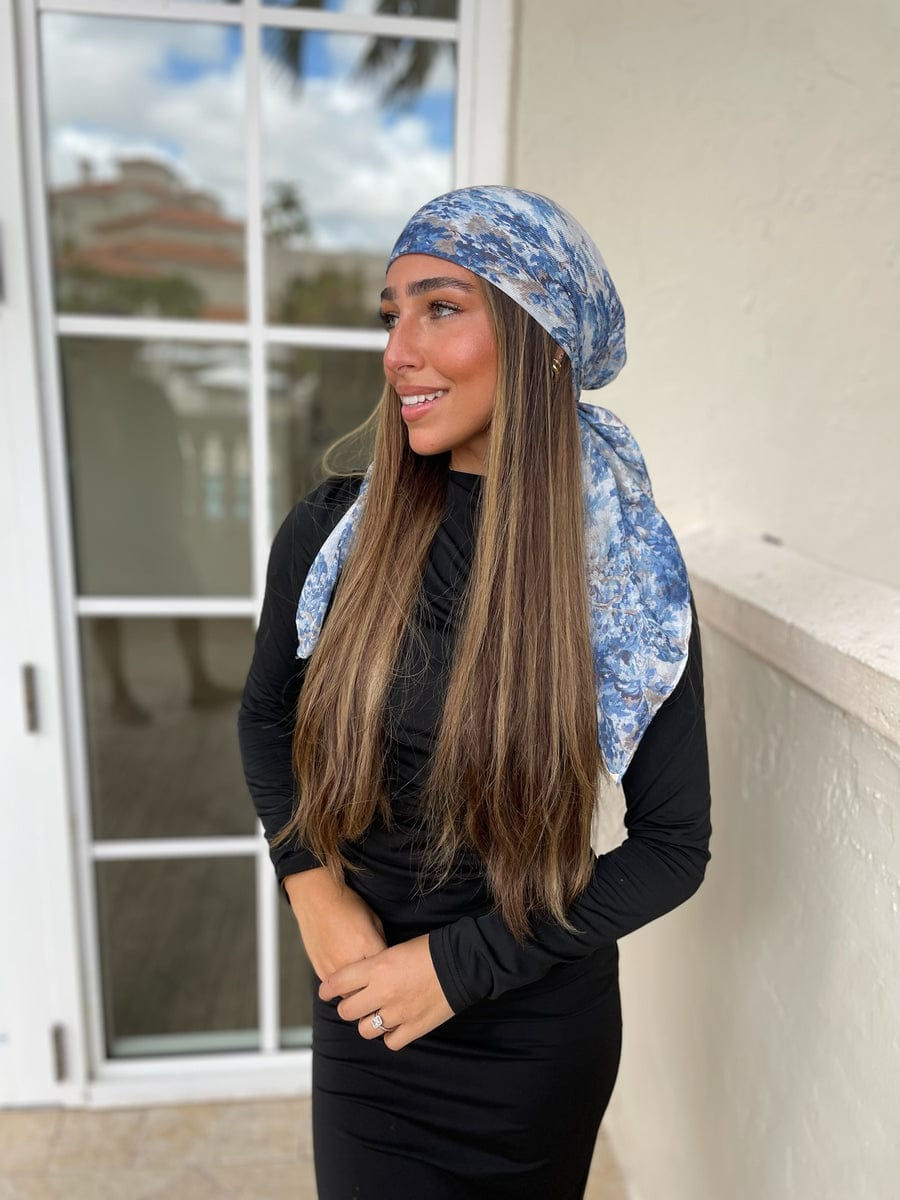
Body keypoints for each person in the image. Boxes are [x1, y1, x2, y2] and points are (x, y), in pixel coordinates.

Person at [237, 185, 712, 1199]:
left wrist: (457, 967)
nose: (396, 350)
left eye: (439, 307)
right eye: (389, 313)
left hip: (531, 1035)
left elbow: (673, 849)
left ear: (541, 339)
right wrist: (314, 890)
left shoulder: (621, 569)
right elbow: (265, 716)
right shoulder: (332, 534)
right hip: (369, 1011)